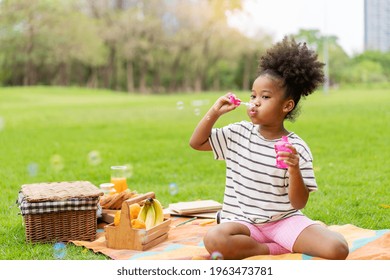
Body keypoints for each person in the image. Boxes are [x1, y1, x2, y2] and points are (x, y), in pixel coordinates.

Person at [189, 37, 349, 260]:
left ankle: (281, 242)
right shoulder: (238, 133)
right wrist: (214, 112)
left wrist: (294, 169)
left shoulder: (296, 148)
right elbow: (196, 143)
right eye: (253, 95)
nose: (255, 102)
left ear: (287, 105)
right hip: (242, 222)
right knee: (214, 239)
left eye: (265, 97)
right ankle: (274, 248)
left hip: (283, 222)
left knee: (338, 249)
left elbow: (299, 202)